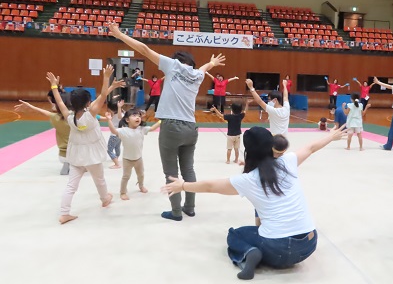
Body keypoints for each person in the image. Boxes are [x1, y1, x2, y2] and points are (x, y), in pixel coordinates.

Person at [161, 125, 345, 280]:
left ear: (248, 151)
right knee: (262, 213)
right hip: (309, 243)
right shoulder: (288, 161)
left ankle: (249, 253)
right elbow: (311, 147)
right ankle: (259, 249)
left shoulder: (247, 180)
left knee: (235, 234)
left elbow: (210, 186)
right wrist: (331, 136)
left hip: (279, 250)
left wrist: (182, 185)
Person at [108, 22, 226, 221]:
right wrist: (212, 64)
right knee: (189, 169)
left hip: (171, 127)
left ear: (176, 60)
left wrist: (120, 35)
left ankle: (176, 212)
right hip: (191, 127)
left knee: (171, 172)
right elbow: (203, 68)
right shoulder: (197, 75)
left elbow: (144, 49)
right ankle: (190, 207)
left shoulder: (173, 66)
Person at [46, 65, 115, 225]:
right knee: (100, 180)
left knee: (71, 185)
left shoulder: (68, 116)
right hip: (92, 156)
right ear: (88, 102)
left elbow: (58, 101)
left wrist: (54, 86)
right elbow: (104, 94)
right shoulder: (91, 115)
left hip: (76, 156)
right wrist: (106, 77)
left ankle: (64, 213)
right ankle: (105, 199)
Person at [106, 109, 162, 200]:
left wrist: (161, 120)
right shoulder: (123, 130)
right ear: (127, 120)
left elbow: (152, 128)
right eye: (134, 116)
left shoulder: (141, 129)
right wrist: (109, 120)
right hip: (127, 159)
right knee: (126, 176)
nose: (137, 117)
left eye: (139, 116)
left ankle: (141, 186)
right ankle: (123, 192)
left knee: (141, 174)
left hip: (138, 159)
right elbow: (113, 131)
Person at [14, 94, 72, 175]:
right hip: (77, 154)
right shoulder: (75, 119)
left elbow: (42, 112)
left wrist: (30, 106)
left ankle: (67, 163)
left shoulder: (54, 117)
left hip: (62, 156)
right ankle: (76, 164)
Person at [106, 99, 125, 169]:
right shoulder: (120, 113)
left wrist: (119, 107)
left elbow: (120, 117)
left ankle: (117, 164)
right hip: (119, 135)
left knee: (109, 150)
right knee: (117, 147)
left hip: (114, 135)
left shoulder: (119, 114)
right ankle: (116, 157)